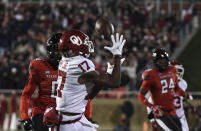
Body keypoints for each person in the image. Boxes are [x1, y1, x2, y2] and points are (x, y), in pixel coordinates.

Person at [43, 30, 126, 131]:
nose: (86, 45)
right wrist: (117, 55)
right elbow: (115, 82)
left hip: (74, 118)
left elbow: (89, 96)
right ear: (75, 45)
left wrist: (108, 73)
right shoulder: (80, 64)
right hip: (68, 124)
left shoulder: (64, 60)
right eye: (84, 43)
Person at [137, 48, 191, 131]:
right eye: (160, 61)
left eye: (165, 60)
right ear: (155, 61)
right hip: (161, 114)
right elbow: (140, 95)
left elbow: (176, 88)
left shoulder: (172, 70)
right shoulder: (151, 75)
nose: (163, 63)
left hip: (173, 112)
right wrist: (152, 107)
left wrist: (184, 94)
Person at [20, 33, 62, 131]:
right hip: (42, 111)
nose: (56, 53)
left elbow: (84, 96)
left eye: (59, 51)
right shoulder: (39, 66)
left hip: (63, 112)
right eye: (54, 50)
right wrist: (25, 117)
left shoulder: (73, 67)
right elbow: (26, 94)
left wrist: (87, 116)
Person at [170, 60, 193, 131]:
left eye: (179, 70)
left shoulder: (183, 83)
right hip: (175, 116)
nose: (178, 73)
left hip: (175, 116)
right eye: (176, 70)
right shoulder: (183, 83)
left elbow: (180, 97)